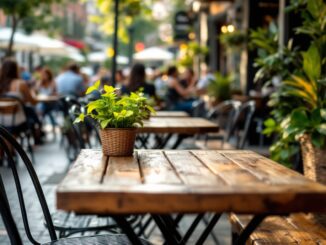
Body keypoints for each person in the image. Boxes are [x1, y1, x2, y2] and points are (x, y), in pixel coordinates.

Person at [0, 58, 43, 143]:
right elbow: (33, 102)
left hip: (1, 122)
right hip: (17, 121)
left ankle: (8, 149)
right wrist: (33, 93)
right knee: (31, 112)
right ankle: (38, 134)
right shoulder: (21, 84)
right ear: (16, 69)